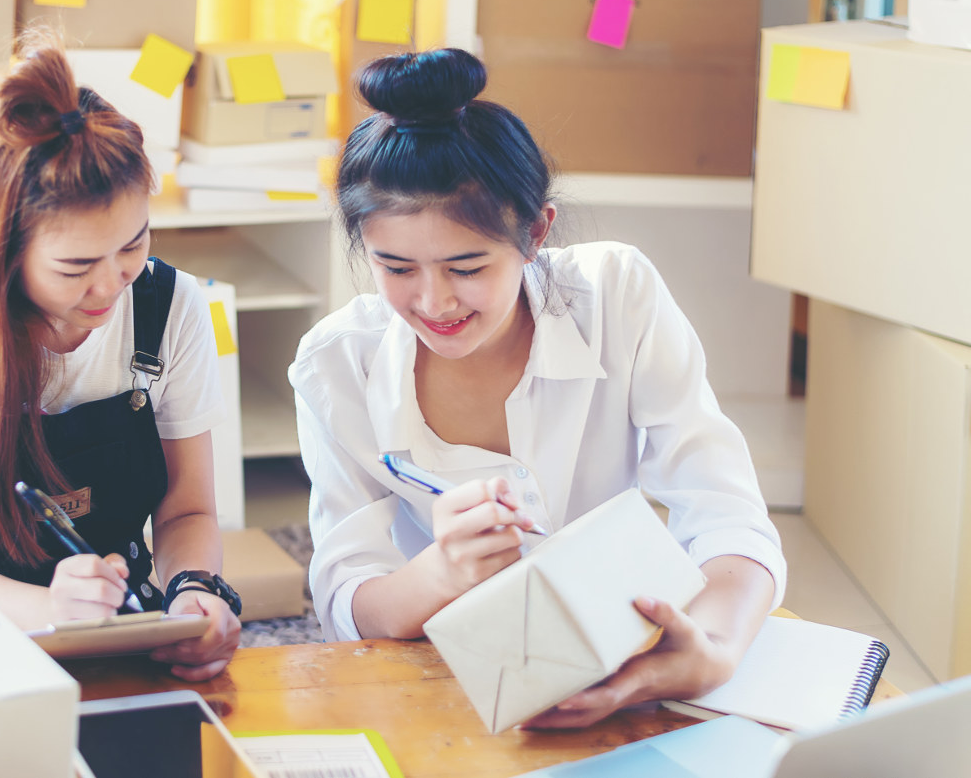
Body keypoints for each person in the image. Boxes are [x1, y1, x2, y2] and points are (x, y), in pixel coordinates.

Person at [288, 48, 787, 727]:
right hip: (441, 679)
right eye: (396, 267)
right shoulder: (337, 365)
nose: (433, 301)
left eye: (467, 266)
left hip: (629, 652)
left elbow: (725, 511)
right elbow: (346, 594)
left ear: (535, 232)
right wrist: (441, 571)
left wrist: (713, 652)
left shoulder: (616, 295)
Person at [0, 29, 240, 681]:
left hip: (124, 628)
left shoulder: (169, 305)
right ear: (6, 247)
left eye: (133, 244)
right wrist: (52, 608)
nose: (111, 283)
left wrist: (193, 593)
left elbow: (187, 507)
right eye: (76, 266)